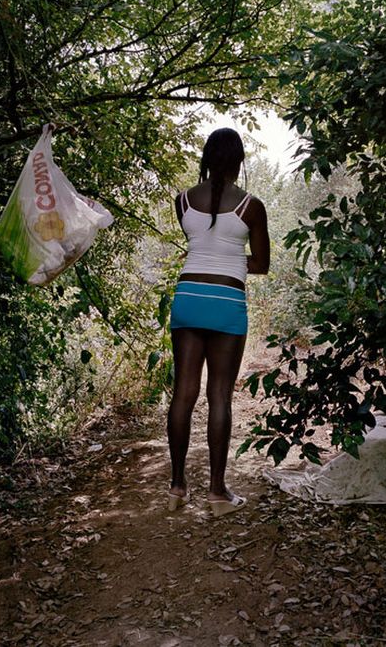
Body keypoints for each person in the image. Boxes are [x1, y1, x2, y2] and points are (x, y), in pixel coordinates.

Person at [166, 128, 270, 517]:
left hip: (188, 299)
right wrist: (231, 261)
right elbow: (261, 263)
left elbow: (201, 244)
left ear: (207, 158)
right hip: (226, 301)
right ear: (239, 162)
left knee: (183, 393)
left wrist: (209, 259)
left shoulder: (182, 202)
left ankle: (177, 487)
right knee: (219, 395)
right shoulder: (251, 206)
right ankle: (217, 493)